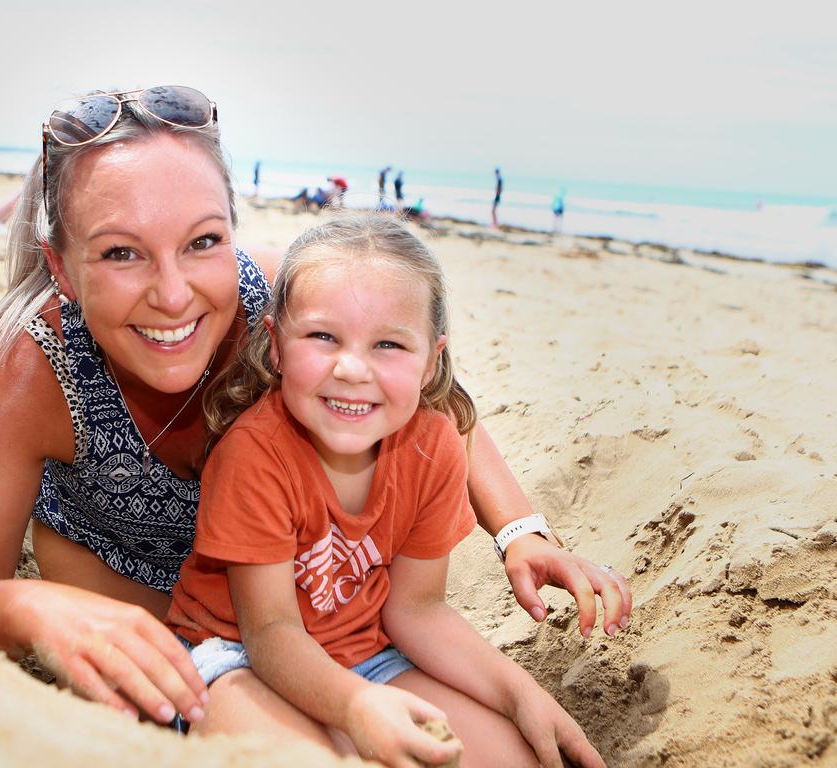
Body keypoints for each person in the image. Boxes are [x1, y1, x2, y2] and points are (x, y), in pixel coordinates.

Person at [0, 84, 630, 728]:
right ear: (61, 266)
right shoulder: (30, 372)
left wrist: (521, 532)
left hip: (316, 606)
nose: (174, 293)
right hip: (153, 629)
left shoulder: (289, 311)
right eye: (122, 254)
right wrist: (37, 609)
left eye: (202, 242)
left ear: (232, 231)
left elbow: (432, 406)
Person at [167, 214, 604, 767]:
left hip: (369, 651)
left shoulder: (434, 446)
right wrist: (355, 709)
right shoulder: (254, 453)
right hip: (234, 658)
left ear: (431, 361)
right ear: (276, 345)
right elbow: (271, 631)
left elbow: (417, 611)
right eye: (323, 336)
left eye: (389, 344)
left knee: (517, 756)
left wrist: (522, 696)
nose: (352, 368)